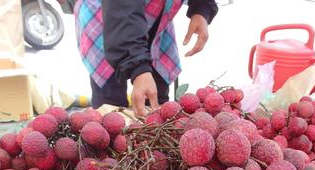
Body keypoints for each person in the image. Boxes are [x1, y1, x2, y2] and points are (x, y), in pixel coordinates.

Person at [75, 0, 218, 116]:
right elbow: (123, 11)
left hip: (157, 15)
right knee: (111, 108)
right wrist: (138, 69)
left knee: (157, 101)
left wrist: (201, 9)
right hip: (109, 18)